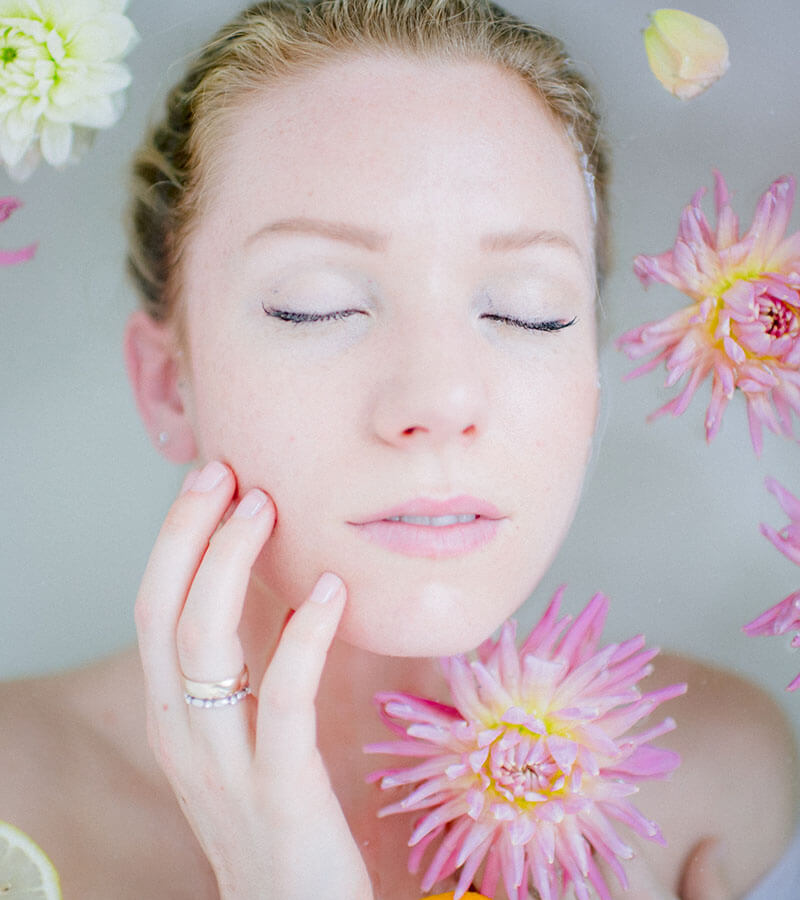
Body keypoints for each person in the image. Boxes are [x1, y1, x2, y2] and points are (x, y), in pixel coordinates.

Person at [1, 1, 798, 897]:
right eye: (315, 305)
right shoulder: (13, 801)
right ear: (166, 384)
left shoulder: (726, 786)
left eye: (528, 312)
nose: (441, 400)